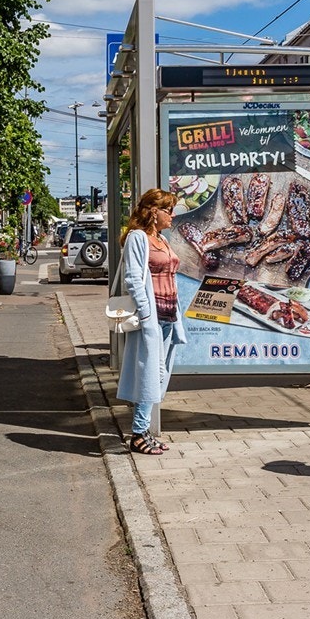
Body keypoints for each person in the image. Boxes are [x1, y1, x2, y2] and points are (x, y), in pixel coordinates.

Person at [117, 189, 186, 455]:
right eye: (168, 210)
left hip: (168, 316)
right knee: (148, 376)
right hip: (152, 318)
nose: (173, 215)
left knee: (157, 376)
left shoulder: (161, 239)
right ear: (153, 211)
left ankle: (144, 431)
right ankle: (137, 434)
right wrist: (146, 316)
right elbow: (133, 278)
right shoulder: (138, 238)